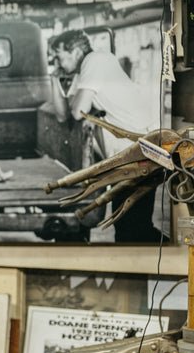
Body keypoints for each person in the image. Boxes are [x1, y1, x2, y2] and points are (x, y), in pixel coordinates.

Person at [48, 29, 162, 242]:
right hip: (127, 157)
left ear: (75, 52)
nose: (57, 63)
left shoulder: (96, 60)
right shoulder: (83, 73)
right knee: (130, 228)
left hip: (141, 154)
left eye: (59, 56)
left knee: (132, 231)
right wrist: (54, 80)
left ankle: (178, 254)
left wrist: (75, 104)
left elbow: (77, 111)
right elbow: (63, 116)